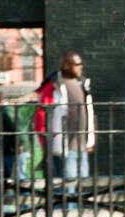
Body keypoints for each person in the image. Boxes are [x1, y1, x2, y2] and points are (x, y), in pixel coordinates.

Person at [33, 52, 95, 182]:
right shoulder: (54, 85)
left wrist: (90, 139)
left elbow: (89, 112)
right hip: (63, 147)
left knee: (83, 187)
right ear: (66, 65)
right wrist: (46, 142)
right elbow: (41, 115)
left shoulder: (82, 84)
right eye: (77, 64)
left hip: (82, 145)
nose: (81, 67)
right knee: (67, 189)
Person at [0, 90, 19, 184]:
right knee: (2, 179)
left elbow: (17, 127)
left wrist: (20, 143)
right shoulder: (6, 111)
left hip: (11, 151)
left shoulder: (7, 111)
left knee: (15, 179)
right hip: (7, 151)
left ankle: (24, 197)